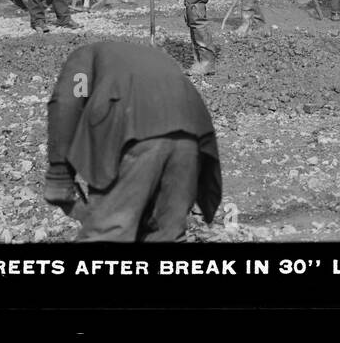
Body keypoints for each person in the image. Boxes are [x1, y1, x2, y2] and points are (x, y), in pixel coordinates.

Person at [44, 41, 223, 242]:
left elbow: (68, 102)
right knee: (166, 234)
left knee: (108, 234)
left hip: (135, 132)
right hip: (191, 134)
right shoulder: (154, 58)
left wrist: (59, 171)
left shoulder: (83, 57)